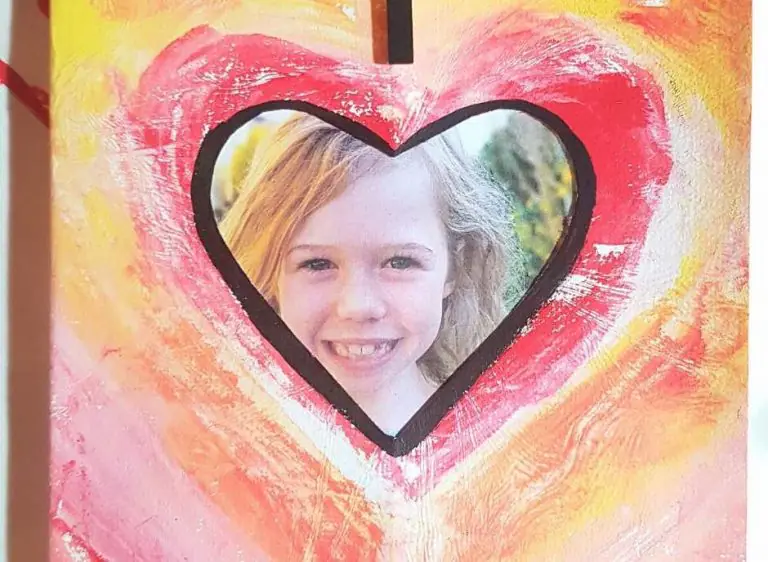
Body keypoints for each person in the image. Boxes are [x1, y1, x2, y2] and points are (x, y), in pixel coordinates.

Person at [219, 113, 526, 434]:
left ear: (455, 268)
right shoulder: (220, 441)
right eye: (317, 264)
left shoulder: (502, 439)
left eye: (400, 262)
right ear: (271, 274)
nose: (358, 306)